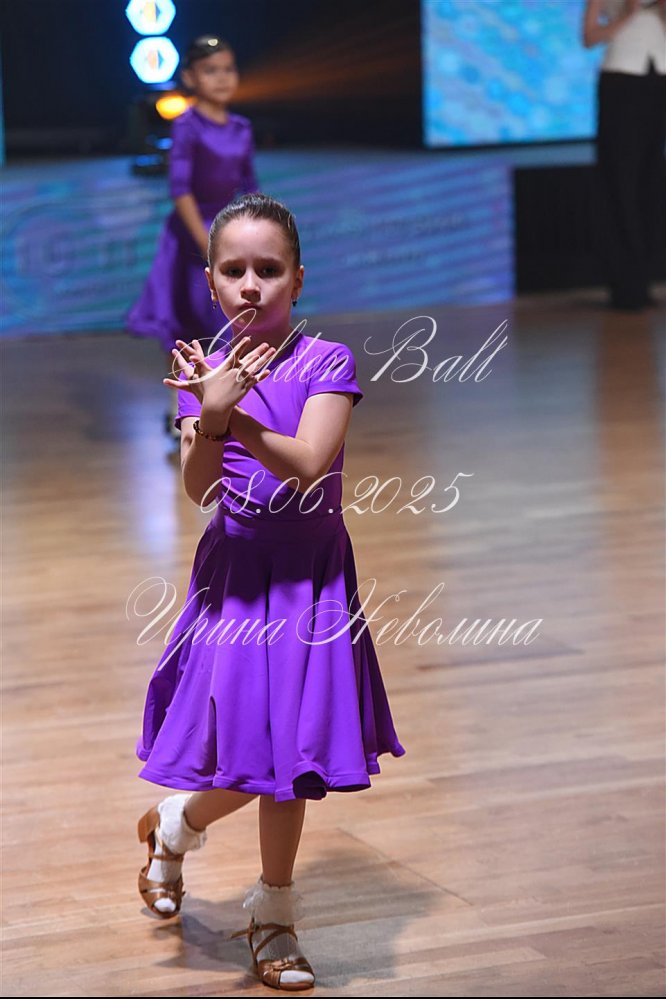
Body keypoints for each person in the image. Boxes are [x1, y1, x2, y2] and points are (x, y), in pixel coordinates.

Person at [134, 192, 407, 990]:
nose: (250, 284)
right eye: (234, 270)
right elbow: (199, 488)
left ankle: (274, 915)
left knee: (292, 756)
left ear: (297, 278)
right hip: (238, 581)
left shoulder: (327, 360)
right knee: (245, 750)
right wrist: (207, 412)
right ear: (211, 281)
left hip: (311, 580)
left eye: (268, 269)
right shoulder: (200, 371)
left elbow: (310, 463)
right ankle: (177, 824)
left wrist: (235, 417)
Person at [125, 34, 259, 438]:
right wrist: (206, 243)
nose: (222, 78)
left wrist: (252, 235)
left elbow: (249, 187)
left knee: (229, 320)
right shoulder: (187, 125)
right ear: (190, 77)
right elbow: (180, 189)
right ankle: (181, 407)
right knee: (189, 320)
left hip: (228, 234)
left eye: (228, 69)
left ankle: (227, 409)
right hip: (192, 236)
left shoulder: (241, 128)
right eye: (210, 71)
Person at [583, 0, 666, 310]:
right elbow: (589, 37)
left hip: (658, 79)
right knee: (620, 180)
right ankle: (623, 284)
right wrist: (628, 14)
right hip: (620, 81)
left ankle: (642, 280)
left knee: (650, 180)